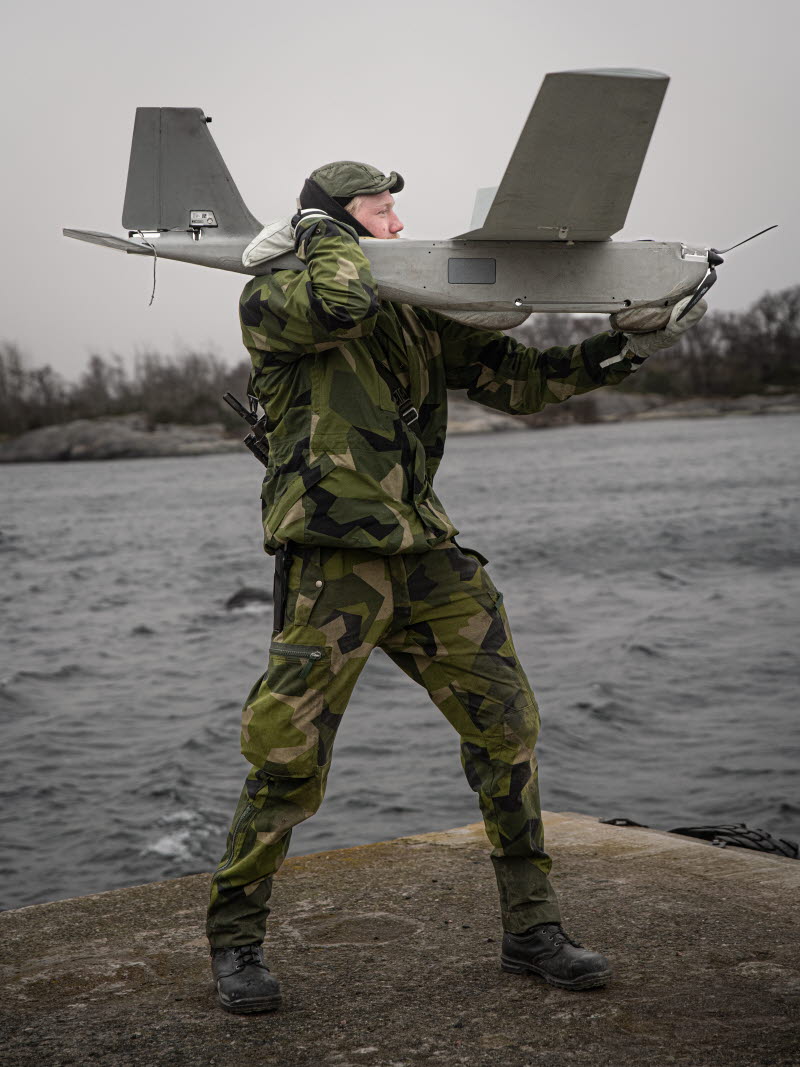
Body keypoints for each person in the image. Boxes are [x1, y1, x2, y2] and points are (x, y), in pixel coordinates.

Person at [206, 161, 706, 1013]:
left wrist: (631, 341)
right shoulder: (276, 297)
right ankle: (236, 942)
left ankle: (532, 930)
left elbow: (522, 380)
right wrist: (324, 235)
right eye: (381, 210)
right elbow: (341, 303)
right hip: (332, 563)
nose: (401, 224)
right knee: (286, 760)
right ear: (333, 224)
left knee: (507, 728)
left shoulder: (414, 314)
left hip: (426, 556)